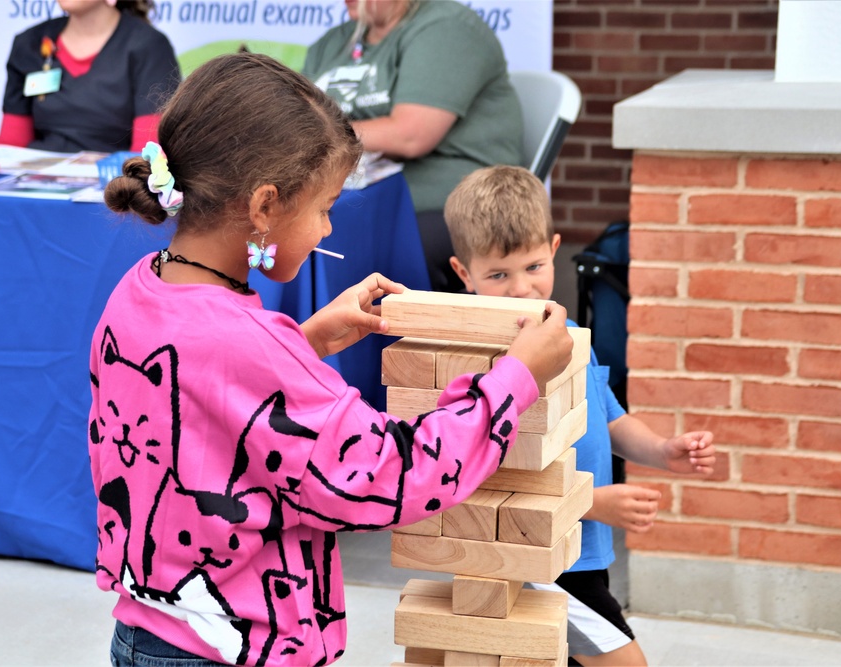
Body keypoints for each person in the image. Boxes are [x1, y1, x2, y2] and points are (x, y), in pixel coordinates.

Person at [91, 53, 574, 666]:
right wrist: (515, 379)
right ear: (264, 207)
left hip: (147, 634)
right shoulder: (250, 346)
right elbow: (391, 474)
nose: (324, 231)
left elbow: (201, 400)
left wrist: (304, 342)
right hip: (235, 648)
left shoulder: (138, 290)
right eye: (324, 207)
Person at [443, 165, 716, 667]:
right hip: (533, 559)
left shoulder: (568, 336)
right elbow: (496, 476)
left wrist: (660, 450)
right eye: (498, 275)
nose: (522, 289)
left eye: (532, 267)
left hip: (585, 553)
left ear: (554, 249)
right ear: (464, 273)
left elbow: (608, 418)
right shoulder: (482, 361)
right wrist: (589, 501)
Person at [302, 0, 523, 294]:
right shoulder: (334, 42)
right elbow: (299, 115)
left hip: (445, 202)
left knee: (336, 236)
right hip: (353, 191)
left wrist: (317, 133)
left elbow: (411, 136)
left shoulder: (447, 29)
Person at [0, 0, 179, 153]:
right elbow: (12, 148)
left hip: (113, 186)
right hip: (35, 182)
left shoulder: (149, 46)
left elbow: (148, 155)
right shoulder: (30, 42)